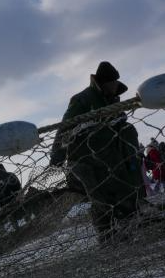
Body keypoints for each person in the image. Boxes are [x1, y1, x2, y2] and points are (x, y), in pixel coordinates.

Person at [50, 61, 141, 243]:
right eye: (113, 83)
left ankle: (127, 231)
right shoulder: (83, 99)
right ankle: (106, 238)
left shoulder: (112, 101)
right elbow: (65, 127)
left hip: (109, 157)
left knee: (123, 191)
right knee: (100, 198)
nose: (115, 87)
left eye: (116, 83)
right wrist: (57, 155)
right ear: (103, 83)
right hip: (84, 159)